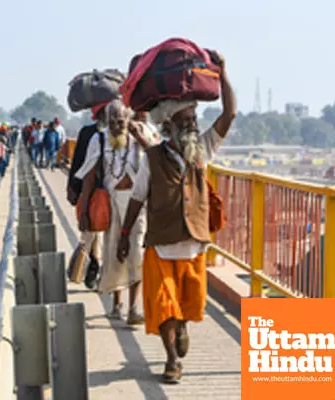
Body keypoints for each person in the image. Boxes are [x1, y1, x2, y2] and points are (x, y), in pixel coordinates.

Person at [117, 51, 235, 383]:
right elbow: (137, 199)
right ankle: (171, 361)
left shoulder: (204, 150)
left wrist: (223, 73)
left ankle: (181, 329)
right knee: (164, 305)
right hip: (160, 247)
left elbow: (230, 113)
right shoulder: (152, 158)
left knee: (186, 306)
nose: (192, 124)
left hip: (194, 245)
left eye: (193, 119)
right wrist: (125, 235)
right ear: (168, 125)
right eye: (185, 120)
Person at [75, 99, 149, 326]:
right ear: (106, 120)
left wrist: (140, 138)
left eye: (122, 119)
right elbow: (88, 174)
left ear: (129, 118)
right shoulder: (98, 140)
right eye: (113, 120)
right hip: (112, 203)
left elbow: (157, 157)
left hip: (136, 204)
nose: (118, 124)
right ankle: (117, 305)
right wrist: (85, 210)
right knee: (114, 253)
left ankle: (134, 308)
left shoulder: (139, 134)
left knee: (136, 252)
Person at [66, 102, 108, 289]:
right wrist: (73, 187)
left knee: (99, 235)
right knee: (91, 233)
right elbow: (78, 163)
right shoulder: (89, 134)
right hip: (92, 191)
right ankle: (90, 268)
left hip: (110, 192)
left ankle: (92, 269)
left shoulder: (119, 135)